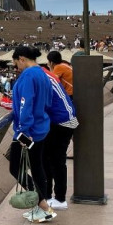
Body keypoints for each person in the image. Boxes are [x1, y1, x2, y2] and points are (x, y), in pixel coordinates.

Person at [10, 46, 56, 223]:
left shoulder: (28, 75)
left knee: (15, 167)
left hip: (28, 131)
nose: (17, 69)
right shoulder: (43, 73)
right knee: (37, 167)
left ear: (21, 58)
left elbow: (25, 103)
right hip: (41, 127)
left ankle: (42, 204)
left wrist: (23, 131)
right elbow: (48, 100)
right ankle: (42, 206)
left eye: (16, 64)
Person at [41, 67, 78, 211]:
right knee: (50, 159)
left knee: (55, 160)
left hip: (60, 123)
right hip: (61, 122)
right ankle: (50, 196)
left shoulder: (43, 78)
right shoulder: (47, 75)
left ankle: (59, 198)